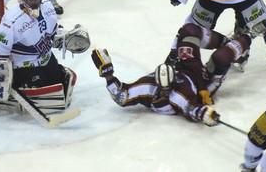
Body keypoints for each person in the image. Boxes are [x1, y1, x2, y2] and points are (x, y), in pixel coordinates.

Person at [91, 23, 252, 124]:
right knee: (221, 58)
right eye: (163, 89)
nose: (165, 92)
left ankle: (230, 42)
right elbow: (192, 109)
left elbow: (122, 96)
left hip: (193, 76)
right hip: (200, 80)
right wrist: (206, 114)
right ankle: (247, 37)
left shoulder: (167, 90)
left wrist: (108, 75)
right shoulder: (163, 90)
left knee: (189, 30)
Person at [0, 0, 90, 114]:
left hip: (46, 58)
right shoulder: (12, 21)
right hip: (25, 67)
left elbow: (51, 32)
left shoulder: (47, 8)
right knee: (48, 93)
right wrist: (1, 76)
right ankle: (9, 89)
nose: (34, 3)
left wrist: (63, 38)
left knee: (62, 82)